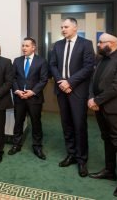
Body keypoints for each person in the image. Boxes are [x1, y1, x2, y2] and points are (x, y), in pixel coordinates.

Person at [49, 17, 95, 177]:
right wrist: (61, 82)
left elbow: (89, 67)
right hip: (61, 90)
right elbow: (52, 65)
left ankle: (82, 160)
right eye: (61, 27)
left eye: (66, 27)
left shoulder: (86, 44)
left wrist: (69, 82)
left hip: (77, 91)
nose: (63, 29)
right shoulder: (58, 45)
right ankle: (71, 154)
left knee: (79, 125)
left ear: (75, 28)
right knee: (66, 124)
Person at [87, 33, 117, 197]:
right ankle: (110, 170)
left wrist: (97, 100)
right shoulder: (101, 58)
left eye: (101, 42)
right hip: (100, 106)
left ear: (111, 43)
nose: (98, 45)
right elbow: (93, 80)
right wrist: (91, 97)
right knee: (106, 138)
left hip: (115, 108)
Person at [9, 37, 48, 160]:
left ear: (33, 47)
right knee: (18, 122)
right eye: (23, 46)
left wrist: (33, 92)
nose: (24, 48)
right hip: (19, 97)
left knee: (36, 123)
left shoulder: (41, 61)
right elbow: (13, 78)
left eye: (26, 46)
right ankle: (16, 144)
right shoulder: (17, 61)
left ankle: (37, 146)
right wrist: (17, 90)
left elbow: (43, 80)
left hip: (34, 98)